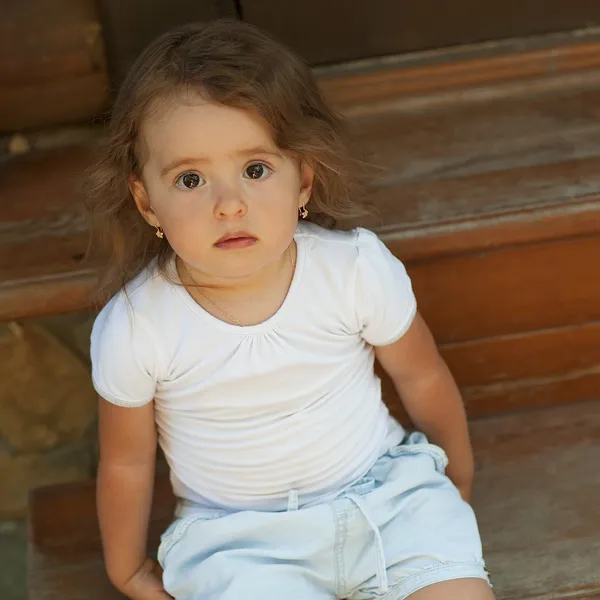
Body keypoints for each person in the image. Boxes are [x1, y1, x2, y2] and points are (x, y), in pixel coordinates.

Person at [87, 19, 494, 600]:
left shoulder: (351, 269)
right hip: (240, 540)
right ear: (146, 200)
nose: (230, 205)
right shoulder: (138, 326)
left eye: (255, 170)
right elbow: (126, 463)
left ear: (302, 180)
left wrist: (453, 483)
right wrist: (124, 567)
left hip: (385, 495)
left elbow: (421, 375)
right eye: (191, 179)